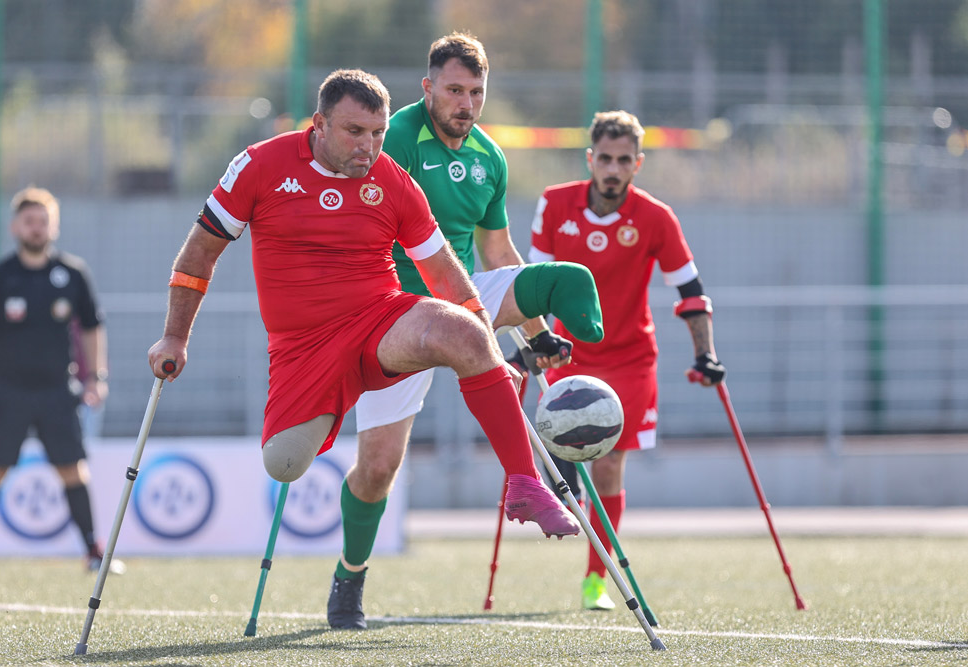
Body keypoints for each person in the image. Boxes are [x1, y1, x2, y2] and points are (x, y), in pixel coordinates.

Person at [145, 68, 582, 625]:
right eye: (355, 131)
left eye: (377, 132)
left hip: (379, 320)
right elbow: (199, 255)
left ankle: (524, 482)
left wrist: (484, 342)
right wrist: (175, 336)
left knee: (465, 331)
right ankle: (346, 563)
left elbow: (443, 269)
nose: (369, 146)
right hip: (302, 348)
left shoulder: (392, 180)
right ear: (319, 123)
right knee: (285, 463)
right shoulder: (260, 165)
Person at [333, 33, 605, 630]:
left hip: (458, 298)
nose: (466, 103)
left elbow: (497, 252)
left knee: (541, 277)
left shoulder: (490, 157)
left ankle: (528, 473)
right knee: (378, 468)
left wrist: (532, 334)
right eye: (454, 90)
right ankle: (349, 578)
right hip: (388, 310)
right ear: (428, 87)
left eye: (476, 92)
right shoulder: (393, 138)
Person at [529, 111, 726, 611]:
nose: (613, 169)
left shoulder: (656, 217)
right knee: (560, 457)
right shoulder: (554, 204)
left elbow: (691, 291)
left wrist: (706, 354)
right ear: (589, 159)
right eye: (605, 159)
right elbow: (530, 284)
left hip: (631, 358)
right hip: (568, 352)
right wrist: (533, 341)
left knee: (611, 463)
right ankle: (563, 482)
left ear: (637, 164)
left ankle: (598, 577)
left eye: (624, 161)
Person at [0, 186, 118, 577]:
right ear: (16, 226)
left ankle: (92, 552)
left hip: (57, 391)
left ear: (55, 226)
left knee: (73, 470)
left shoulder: (72, 273)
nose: (36, 229)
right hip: (6, 392)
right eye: (29, 221)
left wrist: (96, 377)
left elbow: (92, 327)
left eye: (43, 221)